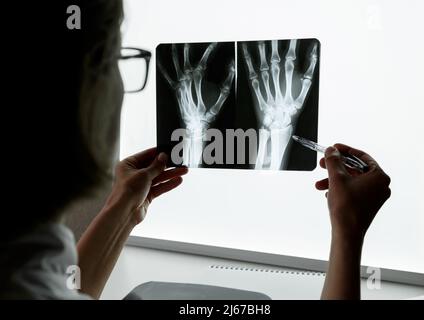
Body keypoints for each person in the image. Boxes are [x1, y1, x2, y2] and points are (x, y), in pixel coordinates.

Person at [0, 0, 390, 300]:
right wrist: (349, 228)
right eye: (116, 58)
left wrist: (120, 210)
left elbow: (66, 294)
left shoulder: (21, 265)